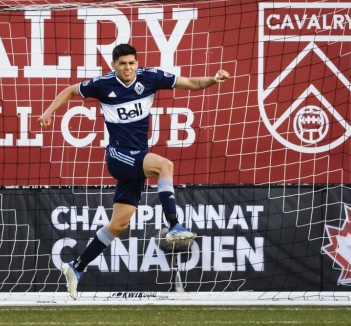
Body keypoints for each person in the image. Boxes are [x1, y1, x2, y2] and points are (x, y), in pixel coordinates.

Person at [37, 43, 230, 300]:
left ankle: (76, 267)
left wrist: (214, 80)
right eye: (122, 64)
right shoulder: (103, 84)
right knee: (165, 165)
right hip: (118, 156)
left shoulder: (151, 78)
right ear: (114, 65)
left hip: (136, 158)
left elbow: (193, 83)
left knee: (118, 225)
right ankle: (173, 224)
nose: (127, 68)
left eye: (131, 63)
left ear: (136, 63)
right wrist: (49, 112)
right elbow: (71, 91)